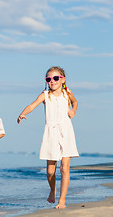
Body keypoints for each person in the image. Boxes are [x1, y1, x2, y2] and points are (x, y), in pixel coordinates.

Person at [17, 66, 79, 209]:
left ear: (62, 79)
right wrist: (23, 113)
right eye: (48, 79)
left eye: (55, 78)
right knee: (50, 171)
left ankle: (62, 200)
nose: (52, 81)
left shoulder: (67, 93)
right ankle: (53, 189)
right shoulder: (45, 95)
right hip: (51, 132)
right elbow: (32, 105)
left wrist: (73, 110)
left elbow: (75, 102)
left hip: (66, 131)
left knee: (64, 169)